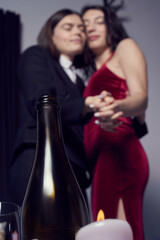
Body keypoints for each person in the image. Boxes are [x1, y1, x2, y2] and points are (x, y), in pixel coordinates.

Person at [9, 8, 107, 207]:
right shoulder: (36, 55)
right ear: (51, 36)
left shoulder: (80, 83)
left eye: (81, 29)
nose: (78, 32)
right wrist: (88, 103)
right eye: (68, 27)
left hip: (75, 168)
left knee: (78, 233)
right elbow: (41, 101)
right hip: (39, 157)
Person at [81, 4, 149, 240]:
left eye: (98, 21)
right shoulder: (89, 74)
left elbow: (141, 100)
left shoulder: (124, 48)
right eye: (85, 24)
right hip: (99, 162)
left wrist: (116, 106)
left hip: (119, 153)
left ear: (111, 25)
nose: (91, 28)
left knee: (119, 233)